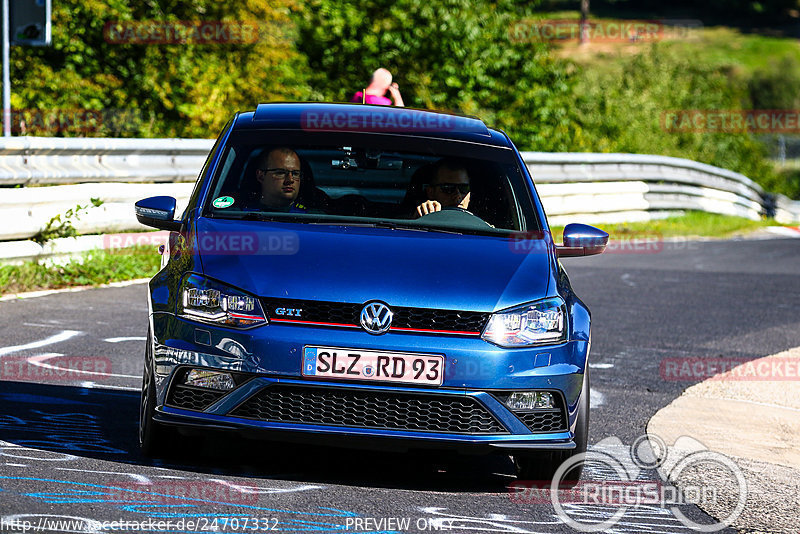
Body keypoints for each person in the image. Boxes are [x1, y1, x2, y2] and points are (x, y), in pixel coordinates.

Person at [253, 147, 311, 213]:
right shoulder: (241, 214)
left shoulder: (316, 219)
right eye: (280, 173)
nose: (290, 180)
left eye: (295, 173)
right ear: (261, 176)